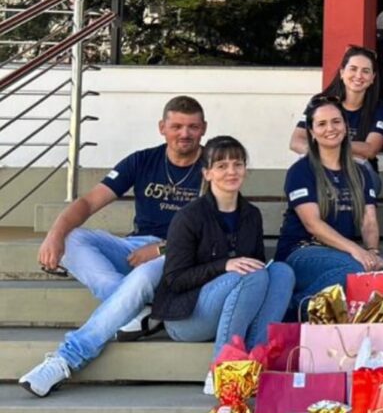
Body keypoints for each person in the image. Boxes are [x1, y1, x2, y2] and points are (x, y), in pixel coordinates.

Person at [20, 96, 207, 397]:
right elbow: (89, 201)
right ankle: (136, 308)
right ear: (162, 128)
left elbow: (213, 233)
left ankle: (65, 359)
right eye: (176, 126)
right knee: (72, 238)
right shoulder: (141, 161)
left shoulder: (213, 166)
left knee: (144, 276)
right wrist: (55, 232)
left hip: (181, 255)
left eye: (192, 127)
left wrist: (162, 249)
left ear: (203, 129)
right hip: (135, 247)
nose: (184, 133)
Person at [151, 136, 294, 359]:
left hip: (236, 309)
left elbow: (256, 266)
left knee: (282, 272)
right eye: (221, 166)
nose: (231, 171)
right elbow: (175, 279)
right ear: (207, 173)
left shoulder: (251, 214)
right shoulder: (189, 217)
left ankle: (255, 359)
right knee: (250, 274)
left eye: (238, 164)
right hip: (188, 318)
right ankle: (223, 365)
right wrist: (224, 265)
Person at [279, 97, 383, 309]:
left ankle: (310, 302)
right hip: (302, 251)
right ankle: (295, 308)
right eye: (321, 124)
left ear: (345, 126)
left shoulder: (361, 171)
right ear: (311, 132)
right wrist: (356, 250)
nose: (330, 128)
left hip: (341, 253)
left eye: (336, 121)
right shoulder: (301, 171)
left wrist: (372, 251)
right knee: (354, 268)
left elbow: (369, 220)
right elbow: (313, 224)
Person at [288, 45, 383, 194]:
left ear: (373, 78)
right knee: (301, 167)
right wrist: (324, 155)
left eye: (365, 71)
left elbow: (370, 149)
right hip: (321, 165)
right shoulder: (320, 102)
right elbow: (296, 141)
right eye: (353, 69)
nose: (359, 75)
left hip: (361, 170)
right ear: (342, 72)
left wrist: (331, 147)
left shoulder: (379, 109)